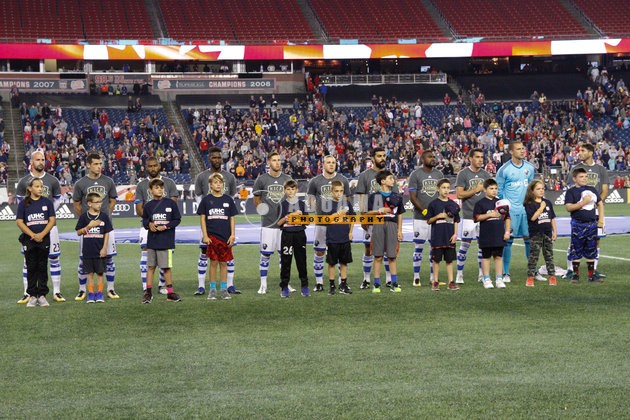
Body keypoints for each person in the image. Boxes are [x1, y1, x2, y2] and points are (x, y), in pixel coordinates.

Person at [15, 150, 65, 304]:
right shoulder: (24, 181)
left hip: (49, 226)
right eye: (37, 159)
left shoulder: (53, 180)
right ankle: (27, 293)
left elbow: (58, 199)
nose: (41, 162)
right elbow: (20, 202)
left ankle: (56, 292)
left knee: (54, 258)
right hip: (30, 227)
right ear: (31, 162)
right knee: (28, 260)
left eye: (43, 159)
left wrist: (48, 214)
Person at [193, 147, 240, 295]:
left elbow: (232, 198)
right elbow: (198, 198)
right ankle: (202, 286)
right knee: (204, 253)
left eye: (219, 157)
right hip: (208, 225)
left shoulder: (230, 177)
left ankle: (229, 285)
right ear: (209, 159)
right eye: (214, 157)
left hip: (224, 224)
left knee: (228, 254)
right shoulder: (201, 177)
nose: (217, 160)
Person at [73, 153, 118, 300]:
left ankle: (110, 289)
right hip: (88, 228)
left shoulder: (108, 181)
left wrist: (106, 214)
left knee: (109, 258)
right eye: (96, 164)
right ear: (88, 165)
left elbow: (112, 200)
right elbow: (77, 205)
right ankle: (82, 290)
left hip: (105, 227)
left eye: (100, 164)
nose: (99, 167)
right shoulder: (80, 183)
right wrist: (86, 220)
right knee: (83, 259)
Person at [563, 143, 609, 280]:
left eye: (583, 151)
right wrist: (582, 204)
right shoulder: (576, 169)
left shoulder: (601, 169)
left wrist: (595, 203)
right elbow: (571, 188)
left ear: (590, 152)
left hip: (595, 209)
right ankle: (570, 270)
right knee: (574, 240)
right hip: (580, 210)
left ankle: (593, 270)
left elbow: (605, 190)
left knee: (596, 241)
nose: (579, 153)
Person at [355, 147, 398, 290]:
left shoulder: (390, 176)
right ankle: (366, 279)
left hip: (387, 218)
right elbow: (362, 197)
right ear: (373, 158)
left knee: (388, 248)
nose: (382, 158)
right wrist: (363, 217)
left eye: (384, 156)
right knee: (369, 248)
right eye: (379, 156)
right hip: (371, 217)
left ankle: (388, 279)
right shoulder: (365, 175)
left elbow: (395, 197)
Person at [306, 155, 351, 292]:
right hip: (322, 224)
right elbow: (310, 199)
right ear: (323, 164)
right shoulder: (315, 181)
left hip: (338, 224)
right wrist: (318, 212)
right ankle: (319, 283)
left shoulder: (343, 180)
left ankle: (341, 283)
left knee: (340, 254)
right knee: (319, 251)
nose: (331, 165)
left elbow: (347, 201)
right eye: (328, 162)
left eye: (333, 162)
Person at [134, 157, 178, 293]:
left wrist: (163, 223)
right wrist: (150, 222)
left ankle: (162, 285)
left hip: (165, 227)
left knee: (165, 256)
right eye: (150, 166)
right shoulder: (141, 185)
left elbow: (173, 206)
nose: (153, 168)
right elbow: (139, 209)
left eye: (155, 165)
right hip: (147, 226)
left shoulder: (169, 183)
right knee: (146, 253)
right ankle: (145, 287)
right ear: (146, 167)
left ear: (159, 166)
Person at [253, 152, 292, 294]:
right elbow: (257, 199)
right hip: (268, 224)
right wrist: (262, 211)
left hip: (285, 225)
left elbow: (291, 199)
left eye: (279, 160)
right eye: (274, 160)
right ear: (269, 162)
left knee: (284, 255)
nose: (277, 163)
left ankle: (285, 283)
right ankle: (263, 284)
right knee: (265, 255)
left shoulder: (287, 179)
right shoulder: (262, 179)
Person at [496, 141, 535, 283]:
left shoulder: (530, 168)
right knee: (508, 241)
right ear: (511, 152)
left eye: (523, 148)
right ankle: (506, 273)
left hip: (526, 210)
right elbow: (499, 191)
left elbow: (531, 188)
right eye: (518, 149)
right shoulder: (504, 170)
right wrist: (505, 209)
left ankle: (532, 271)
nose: (522, 151)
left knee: (529, 240)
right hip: (511, 212)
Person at [16, 177, 56, 307]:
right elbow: (19, 222)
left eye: (41, 186)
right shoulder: (23, 203)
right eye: (37, 186)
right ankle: (32, 296)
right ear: (29, 188)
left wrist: (42, 235)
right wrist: (33, 235)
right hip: (29, 241)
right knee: (31, 267)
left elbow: (52, 220)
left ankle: (42, 295)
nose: (40, 189)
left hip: (44, 239)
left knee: (42, 267)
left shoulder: (47, 202)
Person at [141, 179, 182, 303]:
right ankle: (148, 292)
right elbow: (144, 220)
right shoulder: (148, 205)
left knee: (166, 267)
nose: (160, 190)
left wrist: (165, 226)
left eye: (161, 188)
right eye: (156, 187)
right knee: (151, 267)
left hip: (166, 241)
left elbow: (177, 219)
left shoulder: (171, 203)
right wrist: (149, 224)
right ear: (151, 190)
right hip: (152, 241)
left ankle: (170, 293)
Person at [455, 148, 491, 284]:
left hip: (483, 216)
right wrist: (476, 189)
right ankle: (459, 274)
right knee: (465, 245)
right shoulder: (463, 174)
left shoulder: (486, 174)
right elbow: (459, 194)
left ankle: (482, 274)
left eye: (482, 157)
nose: (480, 159)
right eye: (477, 157)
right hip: (469, 216)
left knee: (483, 246)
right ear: (470, 158)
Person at [365, 170, 404, 293]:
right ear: (383, 181)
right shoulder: (373, 196)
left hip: (392, 225)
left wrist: (400, 230)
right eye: (390, 178)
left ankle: (394, 283)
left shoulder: (397, 196)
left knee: (392, 256)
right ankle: (376, 284)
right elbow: (367, 213)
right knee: (378, 256)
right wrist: (379, 210)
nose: (393, 180)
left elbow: (400, 214)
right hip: (378, 225)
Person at [408, 150, 444, 287]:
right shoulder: (415, 174)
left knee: (434, 248)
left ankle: (433, 277)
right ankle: (416, 277)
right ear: (422, 159)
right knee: (419, 246)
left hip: (436, 218)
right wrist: (424, 210)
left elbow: (442, 195)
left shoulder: (439, 174)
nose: (433, 159)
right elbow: (413, 197)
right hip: (420, 218)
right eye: (430, 157)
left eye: (434, 157)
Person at [75, 193, 113, 303]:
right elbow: (78, 232)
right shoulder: (84, 217)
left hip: (100, 250)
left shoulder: (104, 216)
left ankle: (100, 293)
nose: (99, 204)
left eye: (100, 202)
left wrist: (104, 248)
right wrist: (89, 226)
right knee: (89, 273)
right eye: (97, 202)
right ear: (89, 204)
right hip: (88, 250)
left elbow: (107, 233)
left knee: (100, 273)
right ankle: (91, 294)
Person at [473, 179, 511, 289]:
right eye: (491, 188)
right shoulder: (480, 203)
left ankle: (499, 279)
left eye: (496, 188)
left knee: (498, 257)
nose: (494, 190)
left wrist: (507, 231)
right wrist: (490, 215)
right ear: (485, 190)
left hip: (499, 234)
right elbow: (476, 218)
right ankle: (486, 279)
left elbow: (507, 218)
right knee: (486, 257)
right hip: (486, 235)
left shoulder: (501, 203)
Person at [426, 179, 460, 291]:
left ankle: (451, 282)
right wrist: (438, 216)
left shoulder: (453, 204)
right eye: (443, 187)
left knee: (449, 260)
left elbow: (456, 220)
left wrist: (455, 234)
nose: (446, 190)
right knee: (436, 260)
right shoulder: (433, 204)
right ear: (438, 189)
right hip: (437, 236)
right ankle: (435, 282)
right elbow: (429, 221)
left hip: (449, 236)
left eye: (448, 188)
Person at [277, 180, 310, 298]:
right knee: (286, 261)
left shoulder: (302, 204)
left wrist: (300, 217)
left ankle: (304, 286)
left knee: (301, 261)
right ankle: (284, 286)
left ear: (297, 190)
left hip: (300, 234)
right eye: (288, 189)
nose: (290, 191)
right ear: (285, 190)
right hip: (287, 235)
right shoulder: (282, 205)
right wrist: (289, 216)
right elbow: (278, 223)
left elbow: (307, 221)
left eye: (293, 189)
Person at [323, 180, 354, 295]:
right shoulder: (327, 204)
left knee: (344, 262)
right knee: (332, 263)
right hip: (332, 238)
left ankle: (343, 284)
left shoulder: (347, 203)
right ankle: (332, 286)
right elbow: (325, 220)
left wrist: (350, 232)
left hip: (344, 237)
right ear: (332, 191)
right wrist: (338, 214)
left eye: (341, 191)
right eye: (336, 191)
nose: (339, 193)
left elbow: (352, 218)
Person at [524, 180, 557, 287]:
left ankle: (552, 277)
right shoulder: (529, 204)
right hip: (535, 234)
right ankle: (530, 277)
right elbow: (533, 218)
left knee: (549, 255)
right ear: (532, 191)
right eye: (538, 189)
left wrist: (555, 231)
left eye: (542, 188)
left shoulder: (548, 202)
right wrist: (541, 208)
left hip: (547, 233)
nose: (541, 190)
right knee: (534, 256)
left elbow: (552, 218)